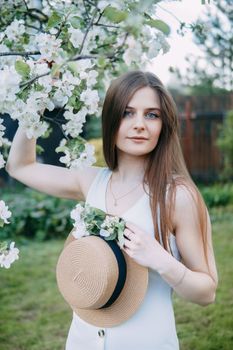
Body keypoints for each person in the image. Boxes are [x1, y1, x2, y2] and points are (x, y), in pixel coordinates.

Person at [6, 70, 218, 349]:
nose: (139, 124)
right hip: (81, 340)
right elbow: (20, 166)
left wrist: (161, 259)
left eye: (151, 114)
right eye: (127, 113)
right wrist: (39, 96)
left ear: (164, 124)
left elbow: (207, 292)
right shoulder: (89, 180)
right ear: (111, 120)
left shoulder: (177, 197)